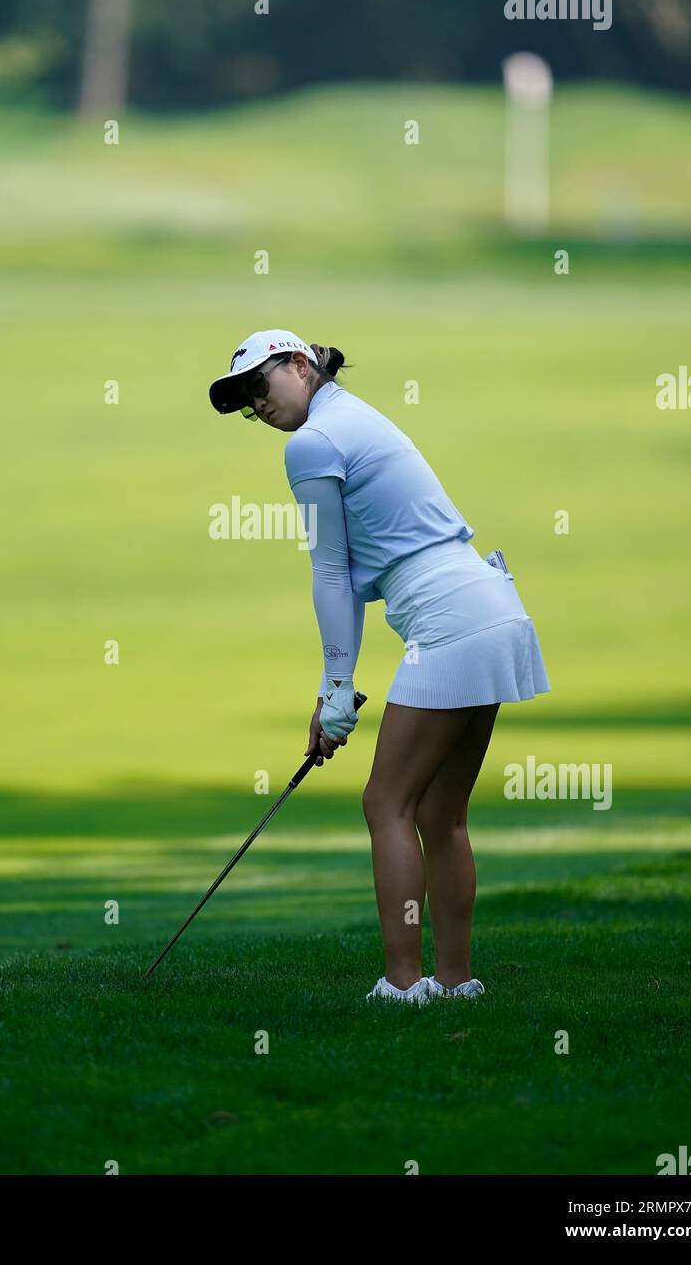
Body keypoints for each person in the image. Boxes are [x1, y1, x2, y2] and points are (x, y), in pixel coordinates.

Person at [208, 329, 551, 1005]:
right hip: (491, 608)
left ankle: (401, 986)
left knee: (385, 802)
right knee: (440, 812)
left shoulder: (312, 443)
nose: (258, 406)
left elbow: (332, 573)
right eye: (247, 402)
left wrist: (335, 691)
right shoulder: (350, 417)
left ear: (300, 366)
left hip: (452, 620)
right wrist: (332, 690)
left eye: (260, 386)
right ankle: (454, 983)